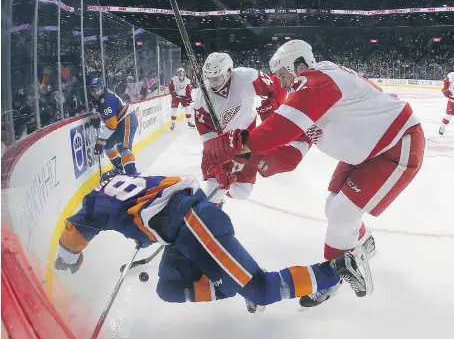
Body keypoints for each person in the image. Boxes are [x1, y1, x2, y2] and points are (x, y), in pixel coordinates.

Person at [201, 39, 425, 304]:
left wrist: (237, 142)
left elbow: (280, 128)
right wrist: (249, 161)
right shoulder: (308, 98)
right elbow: (289, 155)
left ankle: (332, 277)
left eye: (283, 75)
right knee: (335, 208)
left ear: (299, 65)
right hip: (368, 151)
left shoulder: (319, 78)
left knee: (343, 212)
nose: (281, 83)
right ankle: (361, 242)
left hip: (396, 144)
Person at [54, 170, 371, 311]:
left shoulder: (93, 204)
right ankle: (234, 284)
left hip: (195, 227)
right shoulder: (131, 182)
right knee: (169, 289)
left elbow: (73, 234)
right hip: (185, 231)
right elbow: (175, 188)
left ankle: (339, 267)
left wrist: (67, 260)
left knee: (261, 290)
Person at [194, 52, 311, 206]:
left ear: (228, 72)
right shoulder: (200, 102)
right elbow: (209, 142)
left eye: (217, 78)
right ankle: (211, 209)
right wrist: (218, 167)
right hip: (222, 143)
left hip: (248, 139)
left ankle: (225, 191)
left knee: (242, 192)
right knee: (214, 188)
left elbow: (276, 85)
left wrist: (273, 103)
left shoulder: (247, 77)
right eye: (209, 79)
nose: (213, 83)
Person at [90, 78, 138, 174]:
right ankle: (119, 168)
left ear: (103, 89)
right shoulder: (99, 98)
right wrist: (96, 115)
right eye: (93, 90)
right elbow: (100, 110)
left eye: (97, 90)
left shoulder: (106, 100)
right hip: (119, 121)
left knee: (124, 149)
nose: (95, 93)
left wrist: (100, 141)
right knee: (108, 145)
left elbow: (111, 125)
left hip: (127, 118)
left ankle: (133, 175)